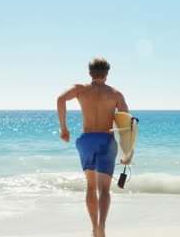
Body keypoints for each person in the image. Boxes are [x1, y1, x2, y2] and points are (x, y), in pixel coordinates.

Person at [57, 58, 131, 237]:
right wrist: (128, 151)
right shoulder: (115, 94)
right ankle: (102, 225)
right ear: (107, 74)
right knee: (104, 189)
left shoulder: (80, 89)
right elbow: (126, 125)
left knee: (91, 187)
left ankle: (93, 229)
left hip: (87, 140)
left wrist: (64, 128)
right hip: (106, 140)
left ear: (90, 73)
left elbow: (60, 99)